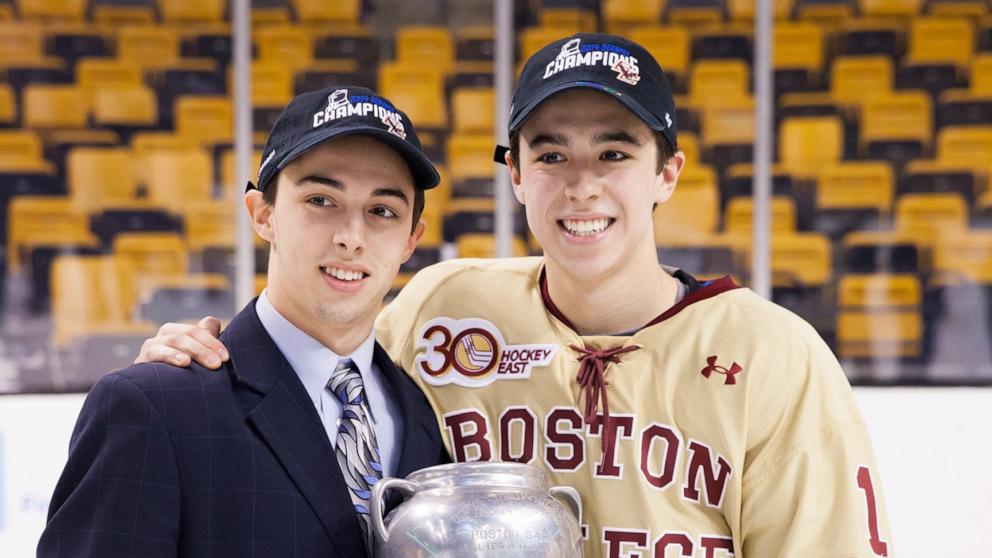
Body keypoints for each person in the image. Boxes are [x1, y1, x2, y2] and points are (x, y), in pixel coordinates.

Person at [133, 34, 893, 557]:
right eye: (551, 152)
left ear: (668, 172)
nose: (582, 183)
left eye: (616, 152)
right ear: (517, 175)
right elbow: (316, 368)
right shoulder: (444, 308)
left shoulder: (772, 353)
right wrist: (197, 359)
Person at [38, 85, 449, 558]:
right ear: (263, 214)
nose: (351, 237)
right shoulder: (154, 406)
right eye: (321, 200)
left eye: (382, 211)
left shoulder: (424, 413)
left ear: (411, 239)